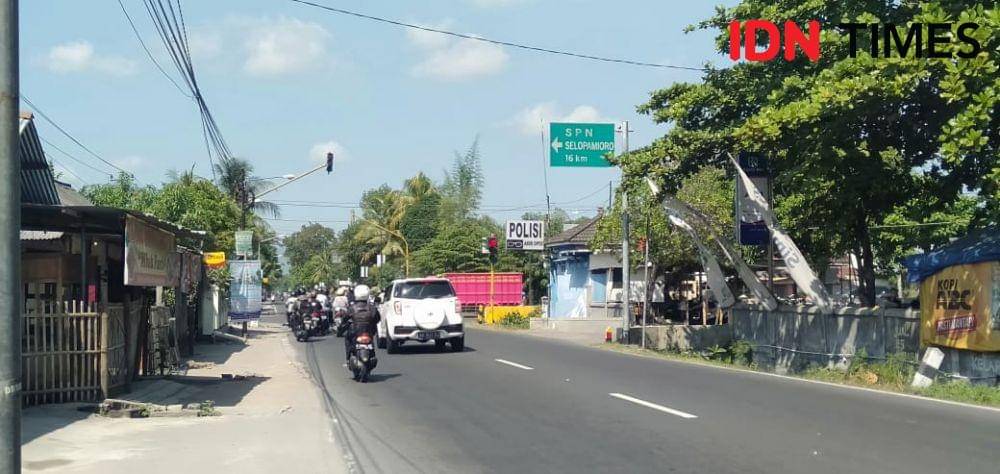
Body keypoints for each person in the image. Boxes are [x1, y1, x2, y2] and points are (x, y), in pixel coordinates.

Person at [345, 284, 380, 361]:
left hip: (355, 333)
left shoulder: (352, 308)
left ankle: (348, 358)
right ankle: (372, 354)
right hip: (369, 332)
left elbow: (345, 319)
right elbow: (377, 319)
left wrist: (342, 326)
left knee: (347, 339)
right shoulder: (372, 308)